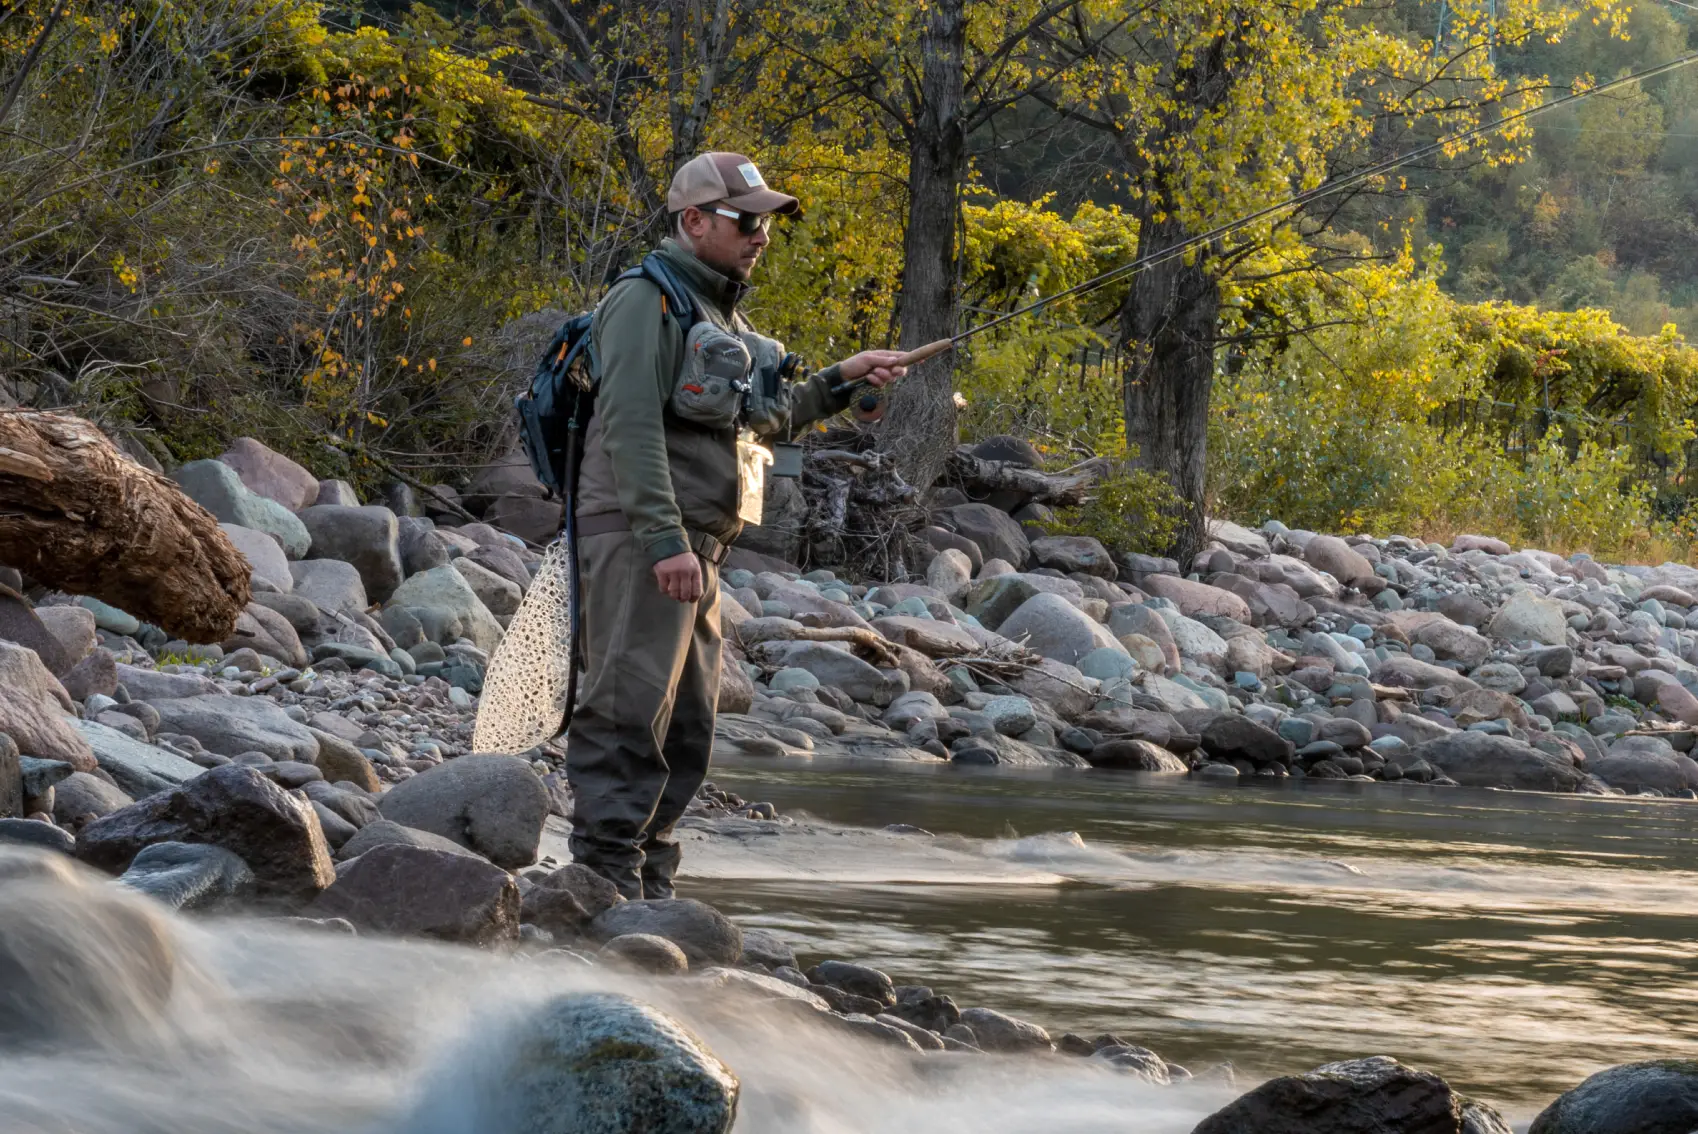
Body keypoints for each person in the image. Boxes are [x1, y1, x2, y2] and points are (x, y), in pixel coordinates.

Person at [566, 151, 909, 899]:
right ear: (693, 221)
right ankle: (600, 878)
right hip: (645, 538)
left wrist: (842, 380)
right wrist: (664, 542)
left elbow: (763, 421)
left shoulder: (723, 315)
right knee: (628, 707)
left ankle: (650, 880)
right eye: (746, 221)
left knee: (689, 724)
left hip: (698, 548)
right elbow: (628, 425)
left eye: (767, 224)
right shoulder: (643, 300)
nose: (762, 236)